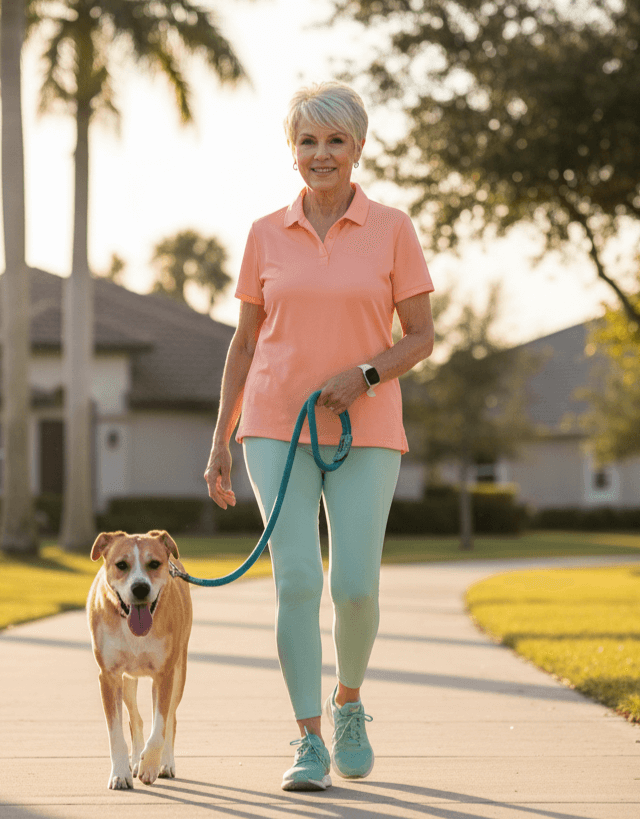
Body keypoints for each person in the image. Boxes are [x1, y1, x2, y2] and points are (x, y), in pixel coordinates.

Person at [204, 81, 435, 792]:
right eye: (308, 141)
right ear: (292, 151)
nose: (321, 154)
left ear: (358, 148)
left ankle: (349, 701)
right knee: (298, 579)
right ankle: (308, 739)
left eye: (335, 141)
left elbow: (422, 337)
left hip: (365, 426)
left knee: (357, 587)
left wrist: (365, 375)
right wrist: (221, 439)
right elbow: (244, 343)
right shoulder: (264, 234)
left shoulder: (393, 228)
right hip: (275, 423)